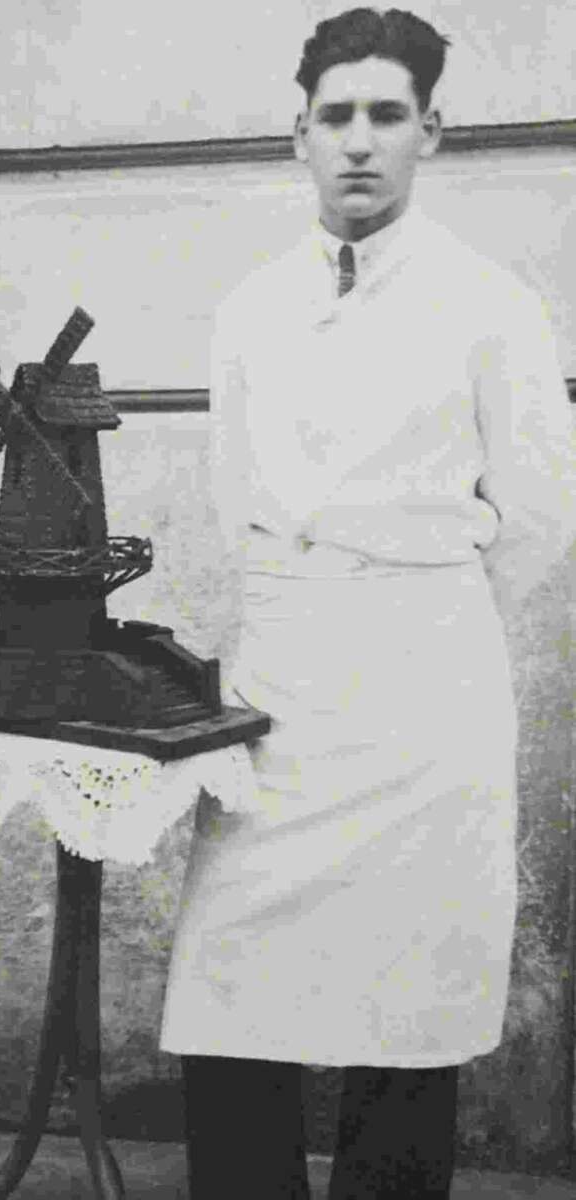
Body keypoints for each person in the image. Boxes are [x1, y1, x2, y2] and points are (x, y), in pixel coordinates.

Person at [159, 8, 576, 1198]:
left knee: (406, 1011)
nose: (358, 142)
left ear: (429, 134)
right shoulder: (249, 309)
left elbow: (544, 510)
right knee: (236, 987)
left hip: (426, 693)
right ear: (297, 136)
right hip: (278, 686)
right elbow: (235, 488)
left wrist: (416, 603)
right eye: (334, 117)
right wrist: (307, 608)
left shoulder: (490, 304)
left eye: (385, 116)